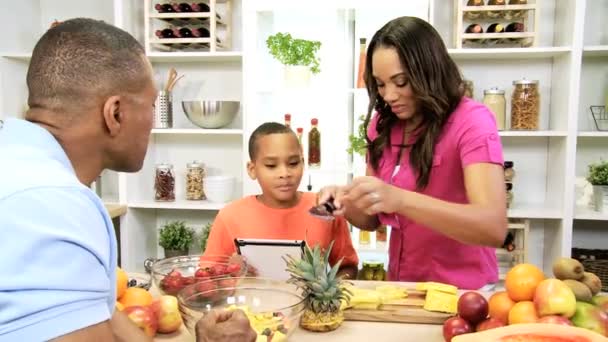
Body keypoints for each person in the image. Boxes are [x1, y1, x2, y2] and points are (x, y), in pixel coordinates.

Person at [0, 18, 255, 341]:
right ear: (115, 113)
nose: (152, 121)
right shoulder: (50, 203)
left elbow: (104, 315)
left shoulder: (22, 166)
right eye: (150, 105)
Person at [318, 16, 508, 290]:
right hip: (403, 288)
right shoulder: (381, 127)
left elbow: (492, 228)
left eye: (401, 82)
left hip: (464, 292)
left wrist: (400, 200)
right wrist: (346, 202)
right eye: (381, 84)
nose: (389, 96)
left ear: (429, 72)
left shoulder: (472, 121)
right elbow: (370, 220)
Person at [203, 122, 359, 279]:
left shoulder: (325, 207)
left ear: (303, 163)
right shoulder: (230, 216)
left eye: (293, 163)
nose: (284, 173)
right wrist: (230, 272)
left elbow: (348, 267)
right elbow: (206, 277)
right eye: (271, 165)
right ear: (252, 170)